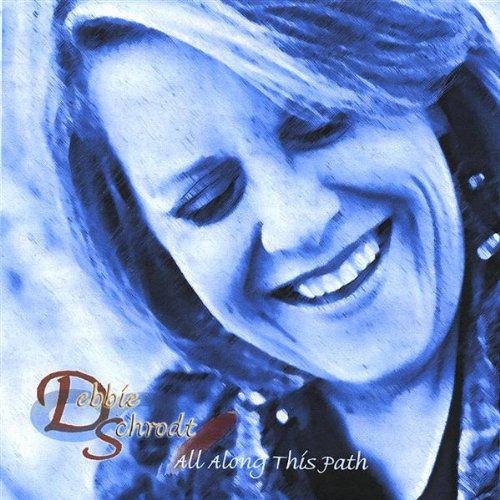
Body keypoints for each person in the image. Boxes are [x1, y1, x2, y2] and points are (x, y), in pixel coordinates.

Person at [47, 1, 498, 498]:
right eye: (208, 199)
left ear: (428, 88)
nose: (297, 224)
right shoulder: (166, 467)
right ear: (153, 245)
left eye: (320, 124)